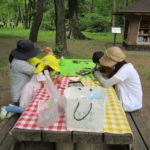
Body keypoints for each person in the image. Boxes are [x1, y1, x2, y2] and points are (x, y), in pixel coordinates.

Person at [94, 46, 143, 112]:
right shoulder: (123, 66)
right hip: (126, 99)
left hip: (130, 104)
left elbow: (106, 84)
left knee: (99, 106)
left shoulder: (126, 69)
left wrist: (98, 75)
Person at [9, 39, 41, 106]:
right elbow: (36, 71)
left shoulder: (16, 59)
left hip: (21, 93)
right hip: (20, 98)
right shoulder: (19, 63)